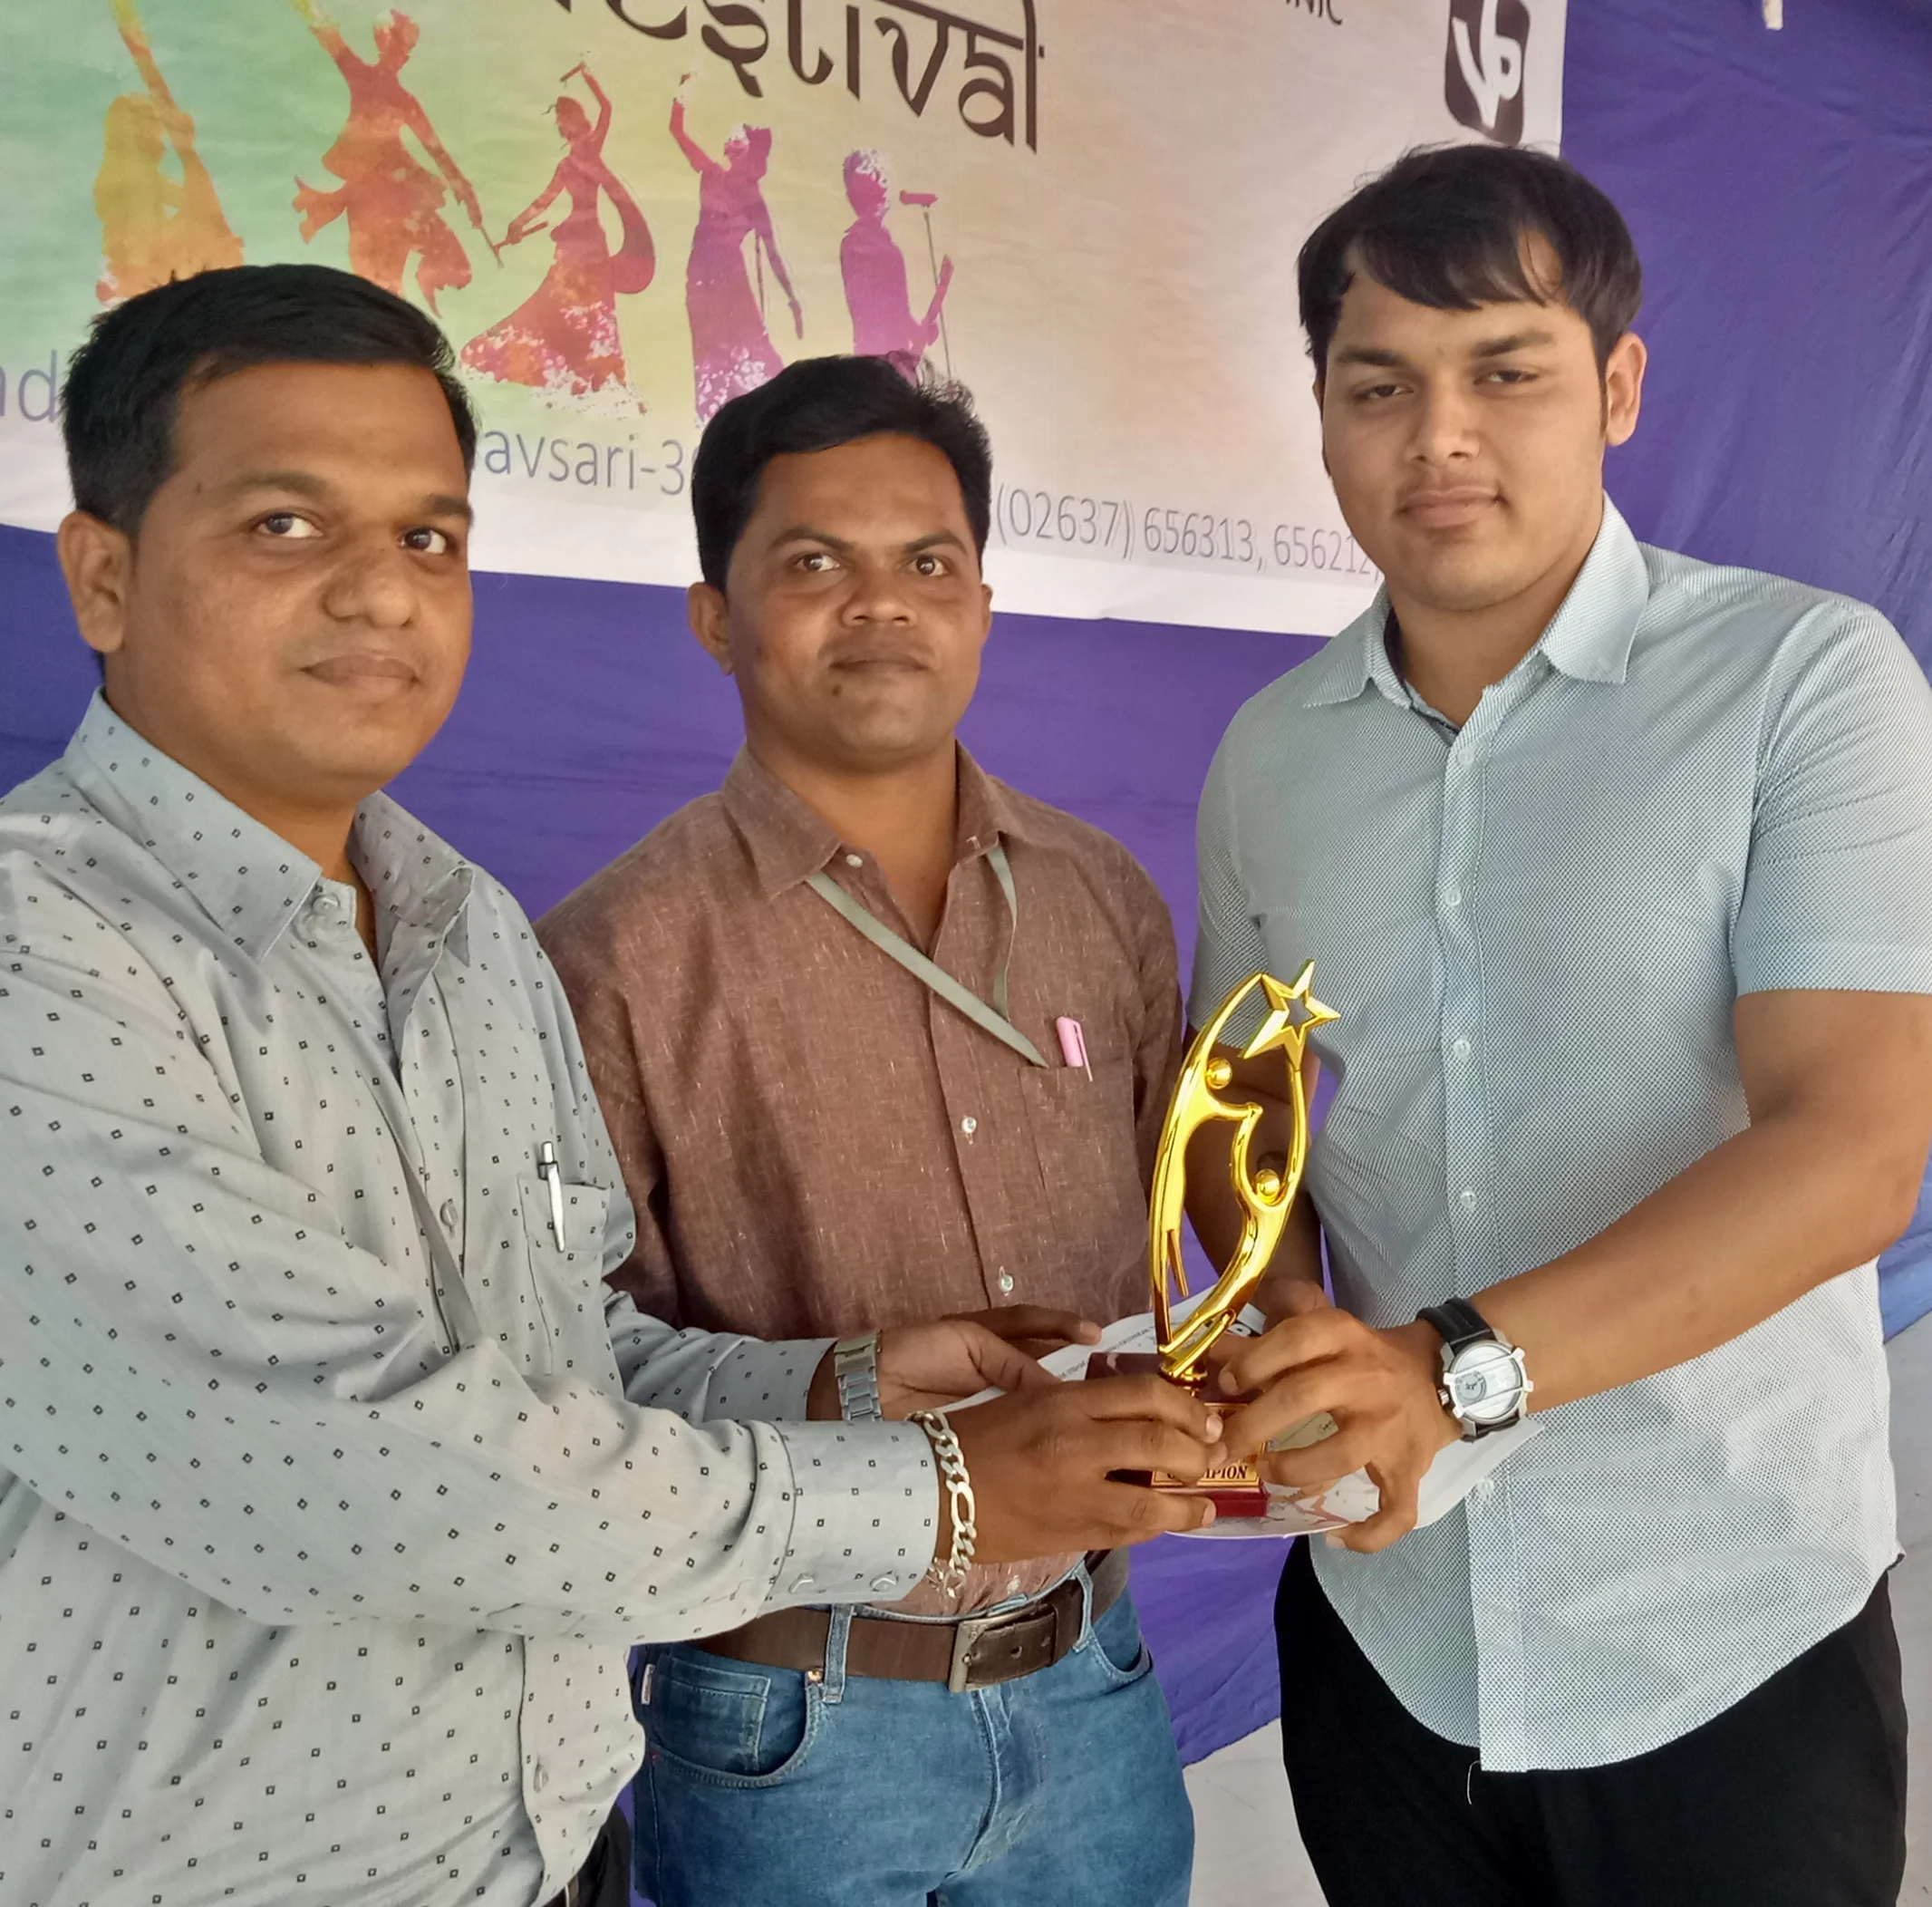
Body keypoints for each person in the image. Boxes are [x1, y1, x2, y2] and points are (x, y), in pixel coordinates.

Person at [0, 265, 1227, 1905]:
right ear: (102, 575)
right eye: (285, 525)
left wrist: (846, 1384)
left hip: (556, 1844)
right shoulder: (43, 953)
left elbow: (571, 1353)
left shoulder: (468, 938)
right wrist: (943, 1487)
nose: (378, 592)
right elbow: (372, 1464)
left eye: (427, 536)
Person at [1185, 144, 1932, 1906]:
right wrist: (1287, 1329)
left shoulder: (1803, 681)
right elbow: (1236, 1101)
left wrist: (1443, 1373)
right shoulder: (1272, 752)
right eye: (1377, 385)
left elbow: (1851, 1147)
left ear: (1616, 385)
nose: (1436, 436)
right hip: (1387, 1628)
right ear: (1320, 416)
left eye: (1504, 370)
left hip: (1721, 1627)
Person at [537, 354, 1198, 1907]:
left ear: (984, 604)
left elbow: (1182, 1232)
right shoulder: (611, 958)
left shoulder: (1101, 899)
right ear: (715, 616)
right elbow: (565, 1373)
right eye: (815, 562)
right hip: (790, 1719)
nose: (884, 603)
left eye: (929, 563)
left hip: (1094, 1675)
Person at [461, 62, 655, 401]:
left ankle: (597, 375)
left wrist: (588, 75)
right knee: (560, 303)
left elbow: (607, 108)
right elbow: (544, 201)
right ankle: (574, 372)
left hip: (590, 243)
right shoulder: (565, 166)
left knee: (595, 309)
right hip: (575, 246)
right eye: (562, 123)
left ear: (579, 121)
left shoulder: (592, 146)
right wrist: (518, 223)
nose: (565, 126)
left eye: (567, 119)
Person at [291, 3, 486, 313]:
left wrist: (466, 192)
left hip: (399, 194)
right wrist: (306, 8)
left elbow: (436, 150)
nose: (405, 54)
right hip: (371, 196)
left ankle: (398, 313)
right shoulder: (362, 77)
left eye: (408, 48)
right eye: (401, 45)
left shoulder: (405, 100)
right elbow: (329, 37)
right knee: (375, 279)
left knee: (401, 273)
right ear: (383, 42)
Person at [93, 0, 243, 304]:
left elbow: (195, 203)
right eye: (147, 124)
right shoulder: (135, 179)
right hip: (149, 281)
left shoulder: (138, 177)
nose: (156, 130)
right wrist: (188, 153)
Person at [670, 78, 803, 421]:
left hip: (730, 276)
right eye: (737, 148)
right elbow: (677, 131)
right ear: (732, 152)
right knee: (710, 346)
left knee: (749, 345)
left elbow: (773, 254)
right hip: (704, 274)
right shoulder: (711, 175)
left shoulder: (754, 199)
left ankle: (763, 416)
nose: (745, 159)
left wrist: (792, 299)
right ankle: (716, 419)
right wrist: (684, 91)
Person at [839, 150, 952, 371]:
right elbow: (872, 309)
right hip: (878, 363)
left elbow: (897, 308)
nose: (883, 193)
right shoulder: (857, 243)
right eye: (874, 188)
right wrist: (914, 331)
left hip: (893, 360)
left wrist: (918, 329)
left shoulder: (883, 244)